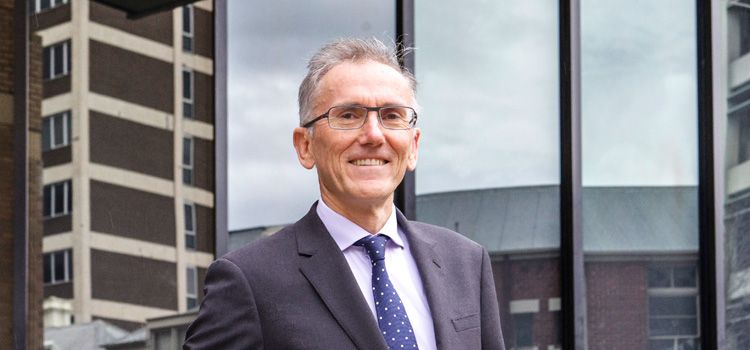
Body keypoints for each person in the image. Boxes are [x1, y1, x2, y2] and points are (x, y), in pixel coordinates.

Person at [183, 38, 504, 350]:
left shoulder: (465, 262)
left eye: (391, 115)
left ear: (414, 146)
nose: (373, 135)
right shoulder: (250, 281)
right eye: (348, 115)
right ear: (305, 146)